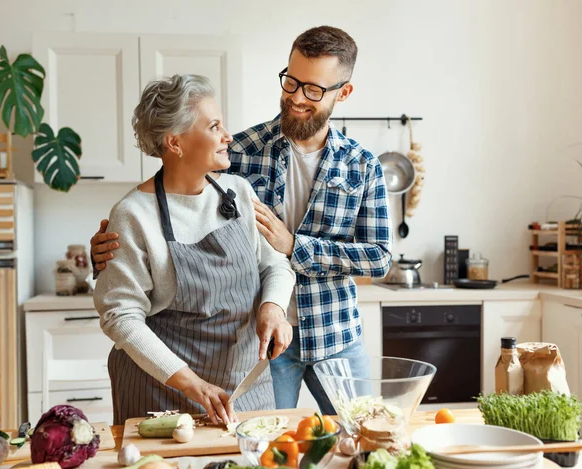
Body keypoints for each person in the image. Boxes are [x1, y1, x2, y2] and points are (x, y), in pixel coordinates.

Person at [91, 26, 392, 414]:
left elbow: (377, 257)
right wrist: (107, 252)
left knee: (361, 439)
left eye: (313, 89)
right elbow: (163, 213)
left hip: (332, 332)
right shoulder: (241, 152)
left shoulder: (362, 165)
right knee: (264, 446)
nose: (297, 97)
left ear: (343, 93)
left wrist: (293, 251)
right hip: (260, 348)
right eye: (291, 81)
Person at [93, 74, 295, 426]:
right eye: (214, 126)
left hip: (243, 388)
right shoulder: (134, 215)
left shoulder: (239, 192)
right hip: (161, 391)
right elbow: (121, 317)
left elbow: (275, 264)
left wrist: (273, 309)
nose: (227, 136)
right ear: (175, 142)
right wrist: (192, 384)